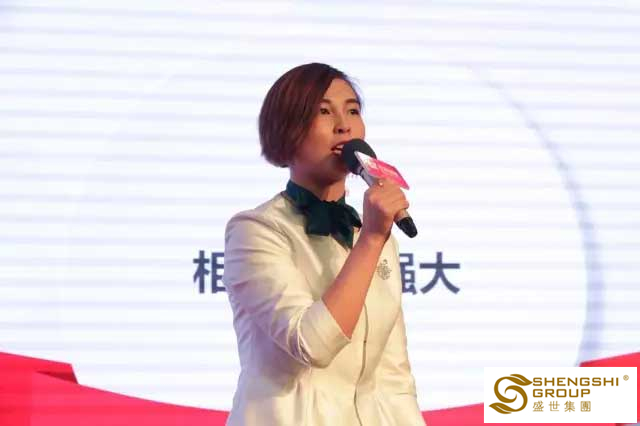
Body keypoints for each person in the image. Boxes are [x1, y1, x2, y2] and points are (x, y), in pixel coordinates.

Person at [223, 62, 426, 426]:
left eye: (353, 111)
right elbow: (311, 344)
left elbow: (394, 379)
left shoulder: (372, 232)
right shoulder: (256, 230)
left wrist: (373, 236)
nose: (344, 125)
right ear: (287, 129)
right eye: (323, 111)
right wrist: (372, 239)